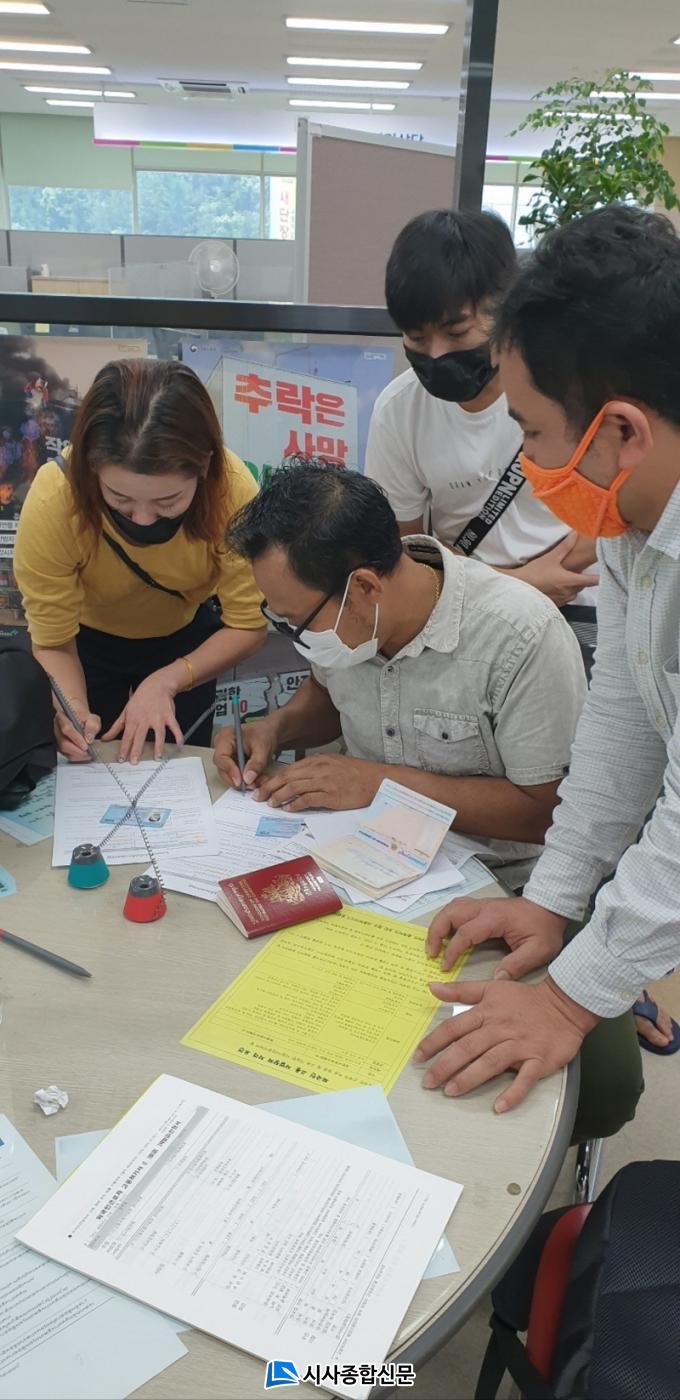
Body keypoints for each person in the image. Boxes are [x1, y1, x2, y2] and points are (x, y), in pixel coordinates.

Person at [415, 205, 680, 1112]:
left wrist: (569, 1000)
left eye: (529, 433)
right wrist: (553, 897)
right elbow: (624, 720)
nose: (525, 460)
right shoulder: (632, 517)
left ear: (622, 431)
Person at [213, 461, 586, 890]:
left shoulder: (519, 635)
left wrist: (381, 786)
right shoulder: (347, 618)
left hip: (492, 885)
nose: (295, 634)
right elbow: (329, 694)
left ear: (365, 588)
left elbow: (547, 812)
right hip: (358, 858)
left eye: (296, 620)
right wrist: (274, 730)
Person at [365, 209, 599, 666]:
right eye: (416, 337)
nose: (436, 354)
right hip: (471, 608)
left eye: (456, 332)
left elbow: (614, 510)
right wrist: (520, 584)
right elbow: (408, 552)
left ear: (506, 309)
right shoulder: (399, 411)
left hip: (579, 599)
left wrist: (547, 579)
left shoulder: (567, 385)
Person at [13, 358, 266, 764]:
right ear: (92, 467)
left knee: (178, 764)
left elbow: (248, 624)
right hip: (85, 644)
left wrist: (169, 680)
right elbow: (53, 640)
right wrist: (73, 710)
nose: (144, 519)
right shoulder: (56, 498)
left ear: (203, 466)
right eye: (120, 499)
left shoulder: (232, 492)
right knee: (89, 752)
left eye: (168, 501)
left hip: (187, 640)